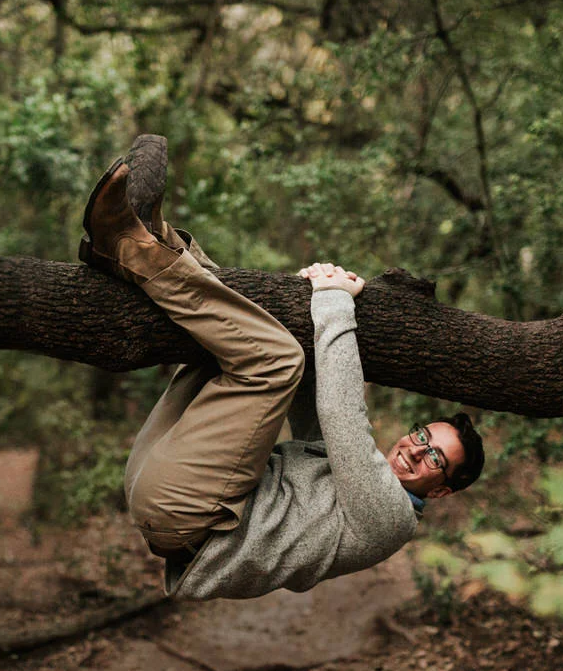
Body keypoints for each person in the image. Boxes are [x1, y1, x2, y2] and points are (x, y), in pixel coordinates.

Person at [80, 135, 485, 600]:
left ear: (440, 492)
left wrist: (334, 302)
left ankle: (128, 245)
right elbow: (314, 412)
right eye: (423, 436)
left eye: (435, 458)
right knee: (242, 341)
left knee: (275, 361)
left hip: (189, 512)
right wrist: (299, 307)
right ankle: (157, 241)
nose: (415, 450)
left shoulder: (391, 517)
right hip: (163, 473)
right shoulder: (351, 483)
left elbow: (342, 415)